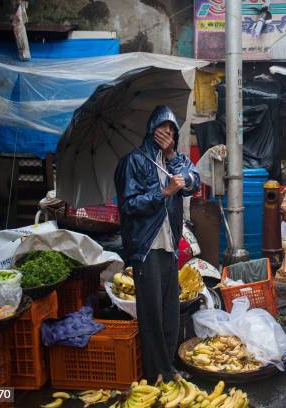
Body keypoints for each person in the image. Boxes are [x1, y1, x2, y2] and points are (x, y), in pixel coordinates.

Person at [114, 105, 200, 383]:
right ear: (151, 129)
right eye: (163, 127)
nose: (167, 132)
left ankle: (169, 367)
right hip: (145, 247)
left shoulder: (174, 159)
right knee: (151, 315)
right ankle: (155, 374)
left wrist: (174, 157)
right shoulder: (134, 161)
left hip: (169, 246)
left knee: (170, 311)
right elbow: (129, 206)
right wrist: (163, 192)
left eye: (172, 129)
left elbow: (194, 181)